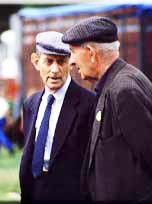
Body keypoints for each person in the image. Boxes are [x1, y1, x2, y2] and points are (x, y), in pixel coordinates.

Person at [62, 16, 152, 201]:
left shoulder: (124, 90)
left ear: (90, 52)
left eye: (73, 52)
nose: (71, 62)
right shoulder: (114, 84)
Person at [19, 31, 96, 202]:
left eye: (61, 62)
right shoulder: (30, 104)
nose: (55, 70)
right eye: (49, 61)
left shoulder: (89, 103)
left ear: (70, 62)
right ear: (36, 62)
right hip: (35, 191)